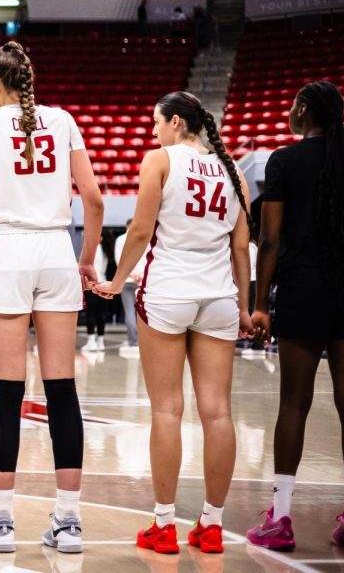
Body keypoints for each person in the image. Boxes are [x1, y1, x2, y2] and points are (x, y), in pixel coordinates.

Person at [0, 41, 104, 554]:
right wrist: (86, 258)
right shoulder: (62, 119)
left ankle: (1, 523)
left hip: (8, 251)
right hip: (56, 250)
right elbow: (93, 197)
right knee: (62, 390)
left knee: (7, 391)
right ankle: (68, 522)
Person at [94, 91, 253, 555]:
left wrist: (116, 279)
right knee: (218, 412)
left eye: (156, 123)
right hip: (220, 294)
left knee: (167, 410)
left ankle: (164, 525)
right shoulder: (234, 170)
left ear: (177, 123)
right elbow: (241, 248)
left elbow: (141, 231)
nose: (152, 132)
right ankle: (213, 525)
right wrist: (244, 306)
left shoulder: (160, 161)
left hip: (168, 290)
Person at [246, 81, 344, 550]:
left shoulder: (283, 161)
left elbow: (268, 241)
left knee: (293, 404)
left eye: (291, 105)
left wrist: (260, 303)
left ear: (303, 111)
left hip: (303, 289)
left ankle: (280, 518)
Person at [113, 220, 143, 357]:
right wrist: (139, 275)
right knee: (142, 313)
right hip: (141, 280)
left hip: (126, 280)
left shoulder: (120, 239)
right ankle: (142, 342)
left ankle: (133, 342)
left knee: (129, 312)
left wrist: (130, 274)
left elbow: (119, 260)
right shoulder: (144, 238)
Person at [81, 241, 108, 352]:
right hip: (103, 282)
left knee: (91, 312)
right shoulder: (106, 250)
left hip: (91, 284)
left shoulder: (90, 250)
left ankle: (91, 341)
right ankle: (101, 341)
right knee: (101, 313)